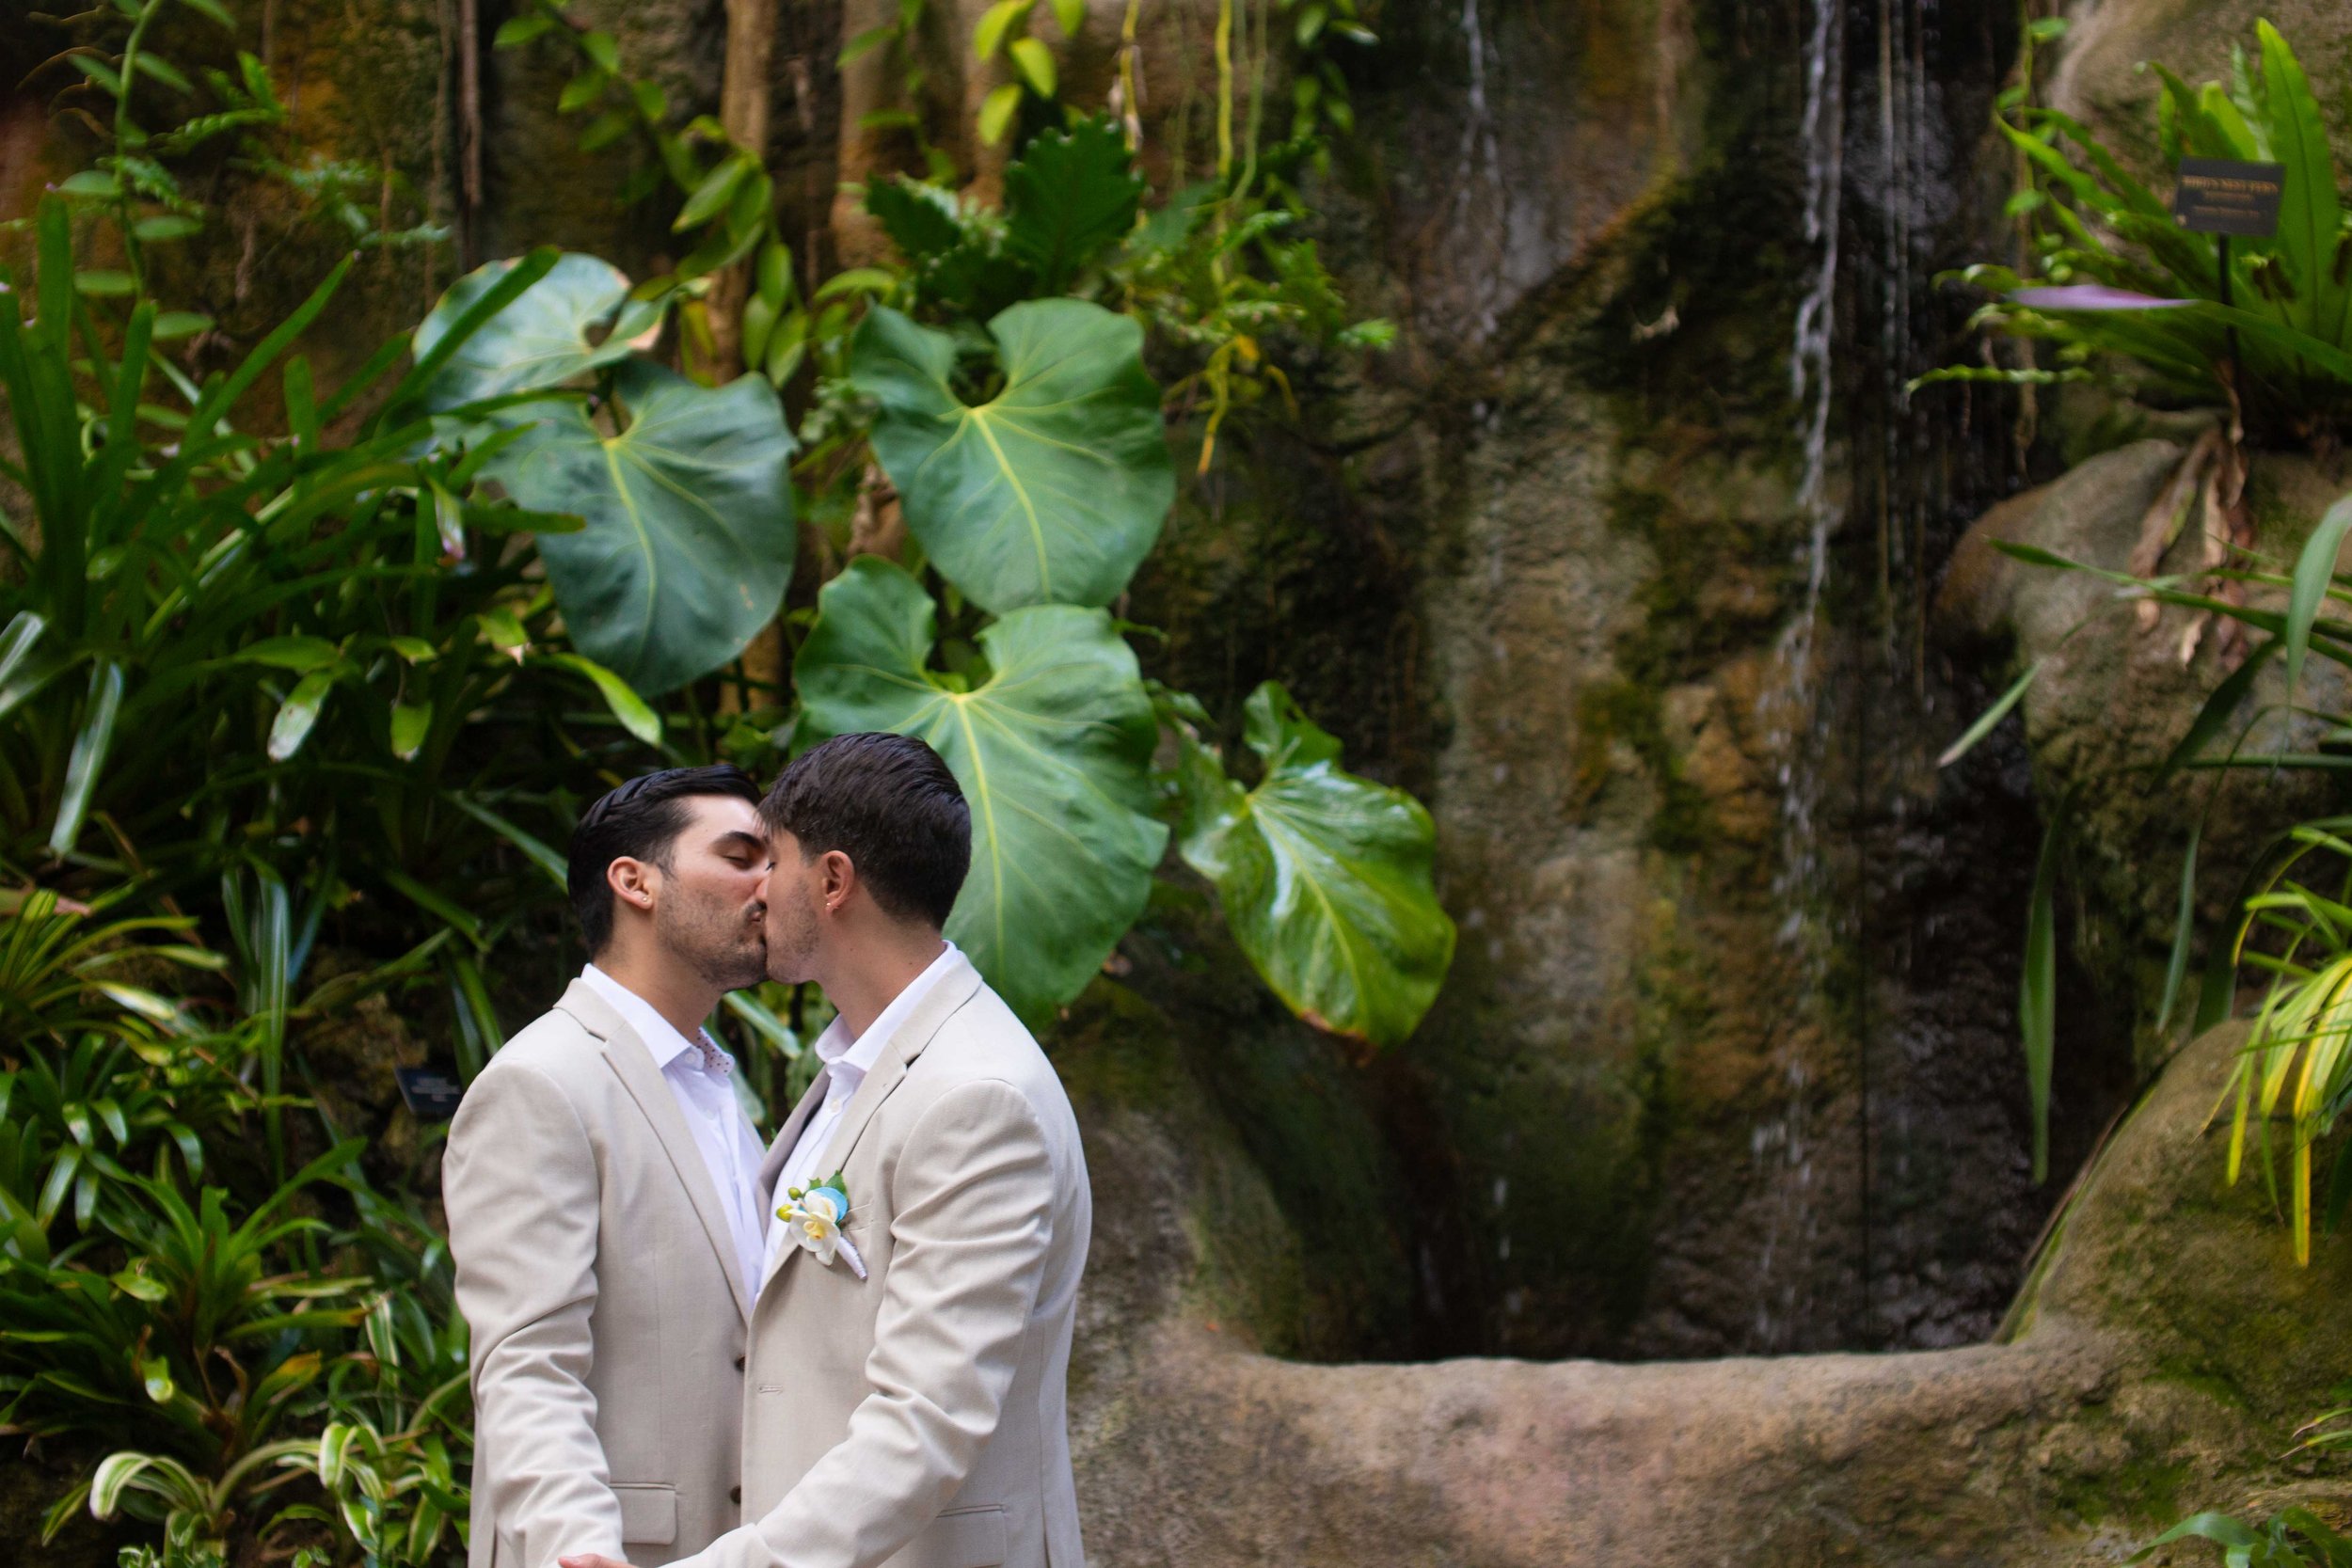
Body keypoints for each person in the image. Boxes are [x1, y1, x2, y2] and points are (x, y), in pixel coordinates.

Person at [563, 731, 1093, 1568]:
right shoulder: (862, 1064)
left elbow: (927, 1420)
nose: (755, 891)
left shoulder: (976, 1096)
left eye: (770, 860)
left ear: (833, 880)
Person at [445, 765, 775, 1568]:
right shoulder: (541, 1082)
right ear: (634, 881)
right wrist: (575, 1545)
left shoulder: (719, 1083)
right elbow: (526, 1359)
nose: (773, 884)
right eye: (741, 858)